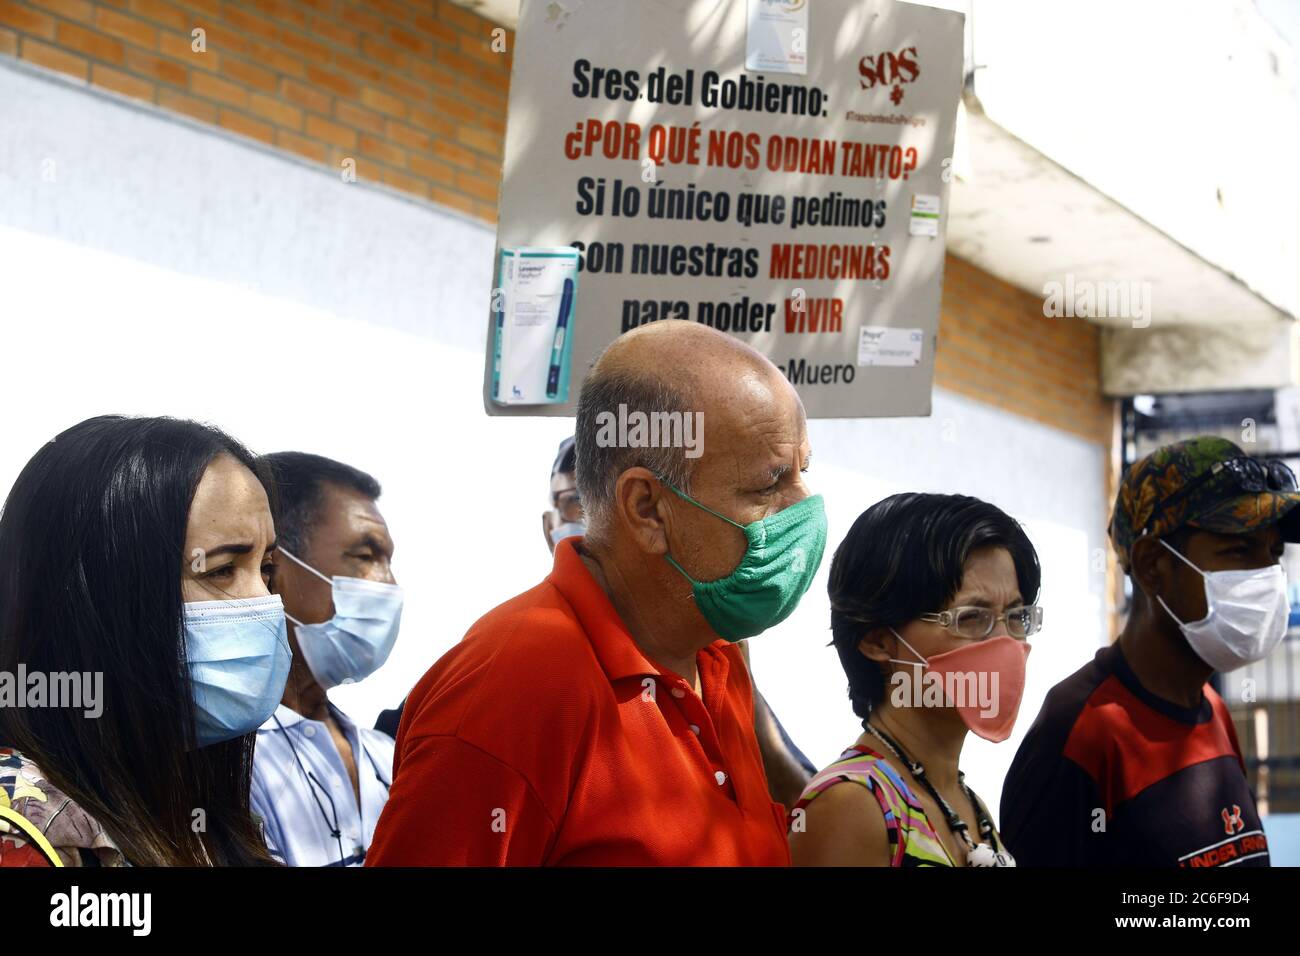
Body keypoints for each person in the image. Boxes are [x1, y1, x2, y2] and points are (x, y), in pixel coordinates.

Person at [368, 320, 826, 865]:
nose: (806, 507)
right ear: (648, 509)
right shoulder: (514, 690)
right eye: (770, 483)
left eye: (804, 471)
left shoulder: (716, 657)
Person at [0, 415, 287, 867]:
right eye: (219, 570)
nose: (266, 603)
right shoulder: (23, 829)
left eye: (265, 569)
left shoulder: (201, 809)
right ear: (97, 597)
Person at [1002, 436, 1295, 866]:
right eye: (1238, 550)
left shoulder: (1212, 709)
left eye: (1273, 553)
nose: (1267, 575)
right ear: (1153, 566)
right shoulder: (1080, 733)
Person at [790, 493, 1041, 867]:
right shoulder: (852, 807)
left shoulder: (969, 805)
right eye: (972, 618)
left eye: (1016, 616)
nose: (1005, 643)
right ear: (877, 639)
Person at [250, 453, 402, 867]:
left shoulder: (388, 756)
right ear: (273, 569)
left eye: (389, 561)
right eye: (366, 556)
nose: (390, 584)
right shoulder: (230, 768)